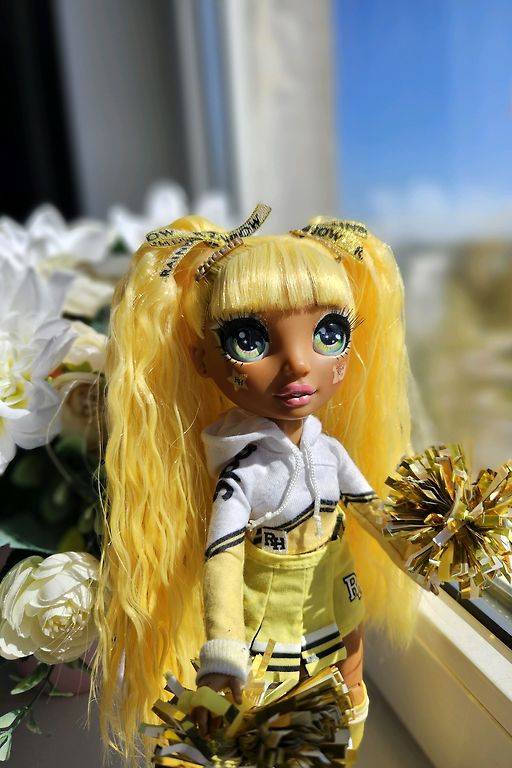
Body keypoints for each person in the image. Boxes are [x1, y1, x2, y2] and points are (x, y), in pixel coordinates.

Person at [95, 204, 421, 761]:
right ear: (202, 359)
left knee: (349, 682)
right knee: (278, 719)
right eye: (248, 339)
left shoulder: (327, 449)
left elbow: (370, 507)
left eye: (328, 333)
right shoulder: (242, 474)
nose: (298, 364)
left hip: (334, 590)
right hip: (270, 615)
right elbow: (222, 560)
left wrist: (424, 543)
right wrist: (223, 648)